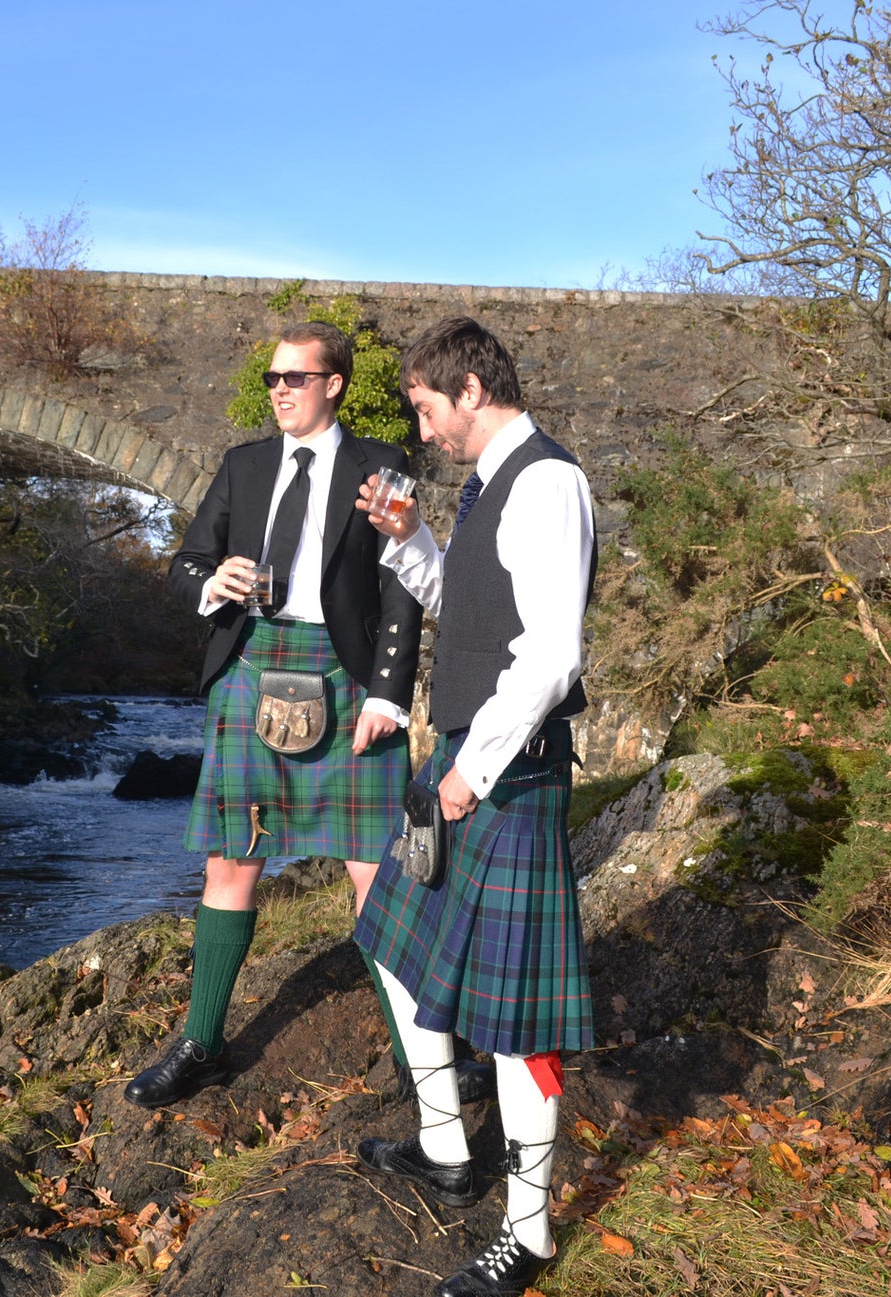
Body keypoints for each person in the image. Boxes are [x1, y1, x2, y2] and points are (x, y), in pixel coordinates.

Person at [352, 316, 596, 1297]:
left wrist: (472, 769)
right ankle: (447, 1145)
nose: (421, 428)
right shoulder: (488, 484)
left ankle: (528, 1235)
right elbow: (472, 612)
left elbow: (549, 654)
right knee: (395, 948)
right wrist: (413, 545)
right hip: (462, 753)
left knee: (512, 1023)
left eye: (422, 406)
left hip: (506, 773)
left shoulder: (546, 481)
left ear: (466, 388)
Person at [123, 320, 426, 1109]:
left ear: (335, 384)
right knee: (231, 861)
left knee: (376, 869)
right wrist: (210, 579)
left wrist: (391, 695)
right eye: (271, 378)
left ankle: (419, 1056)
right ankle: (202, 1043)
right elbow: (186, 558)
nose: (280, 389)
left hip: (347, 675)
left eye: (295, 376)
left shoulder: (382, 465)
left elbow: (401, 588)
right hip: (252, 665)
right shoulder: (244, 465)